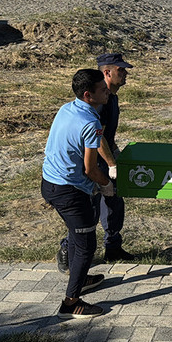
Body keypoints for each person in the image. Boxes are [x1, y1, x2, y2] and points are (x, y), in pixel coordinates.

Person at [41, 69, 112, 319]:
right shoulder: (91, 122)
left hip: (50, 183)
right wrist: (107, 184)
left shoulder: (67, 108)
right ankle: (71, 303)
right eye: (102, 89)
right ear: (87, 94)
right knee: (86, 244)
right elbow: (90, 168)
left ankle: (80, 279)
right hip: (68, 191)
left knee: (78, 231)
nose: (107, 91)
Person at [57, 53, 135, 273]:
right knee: (88, 212)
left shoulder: (112, 97)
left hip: (105, 159)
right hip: (93, 164)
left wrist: (115, 151)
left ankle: (113, 247)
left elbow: (106, 135)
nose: (126, 73)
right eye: (121, 70)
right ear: (106, 73)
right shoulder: (99, 100)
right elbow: (96, 136)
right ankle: (66, 249)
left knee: (114, 204)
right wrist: (111, 164)